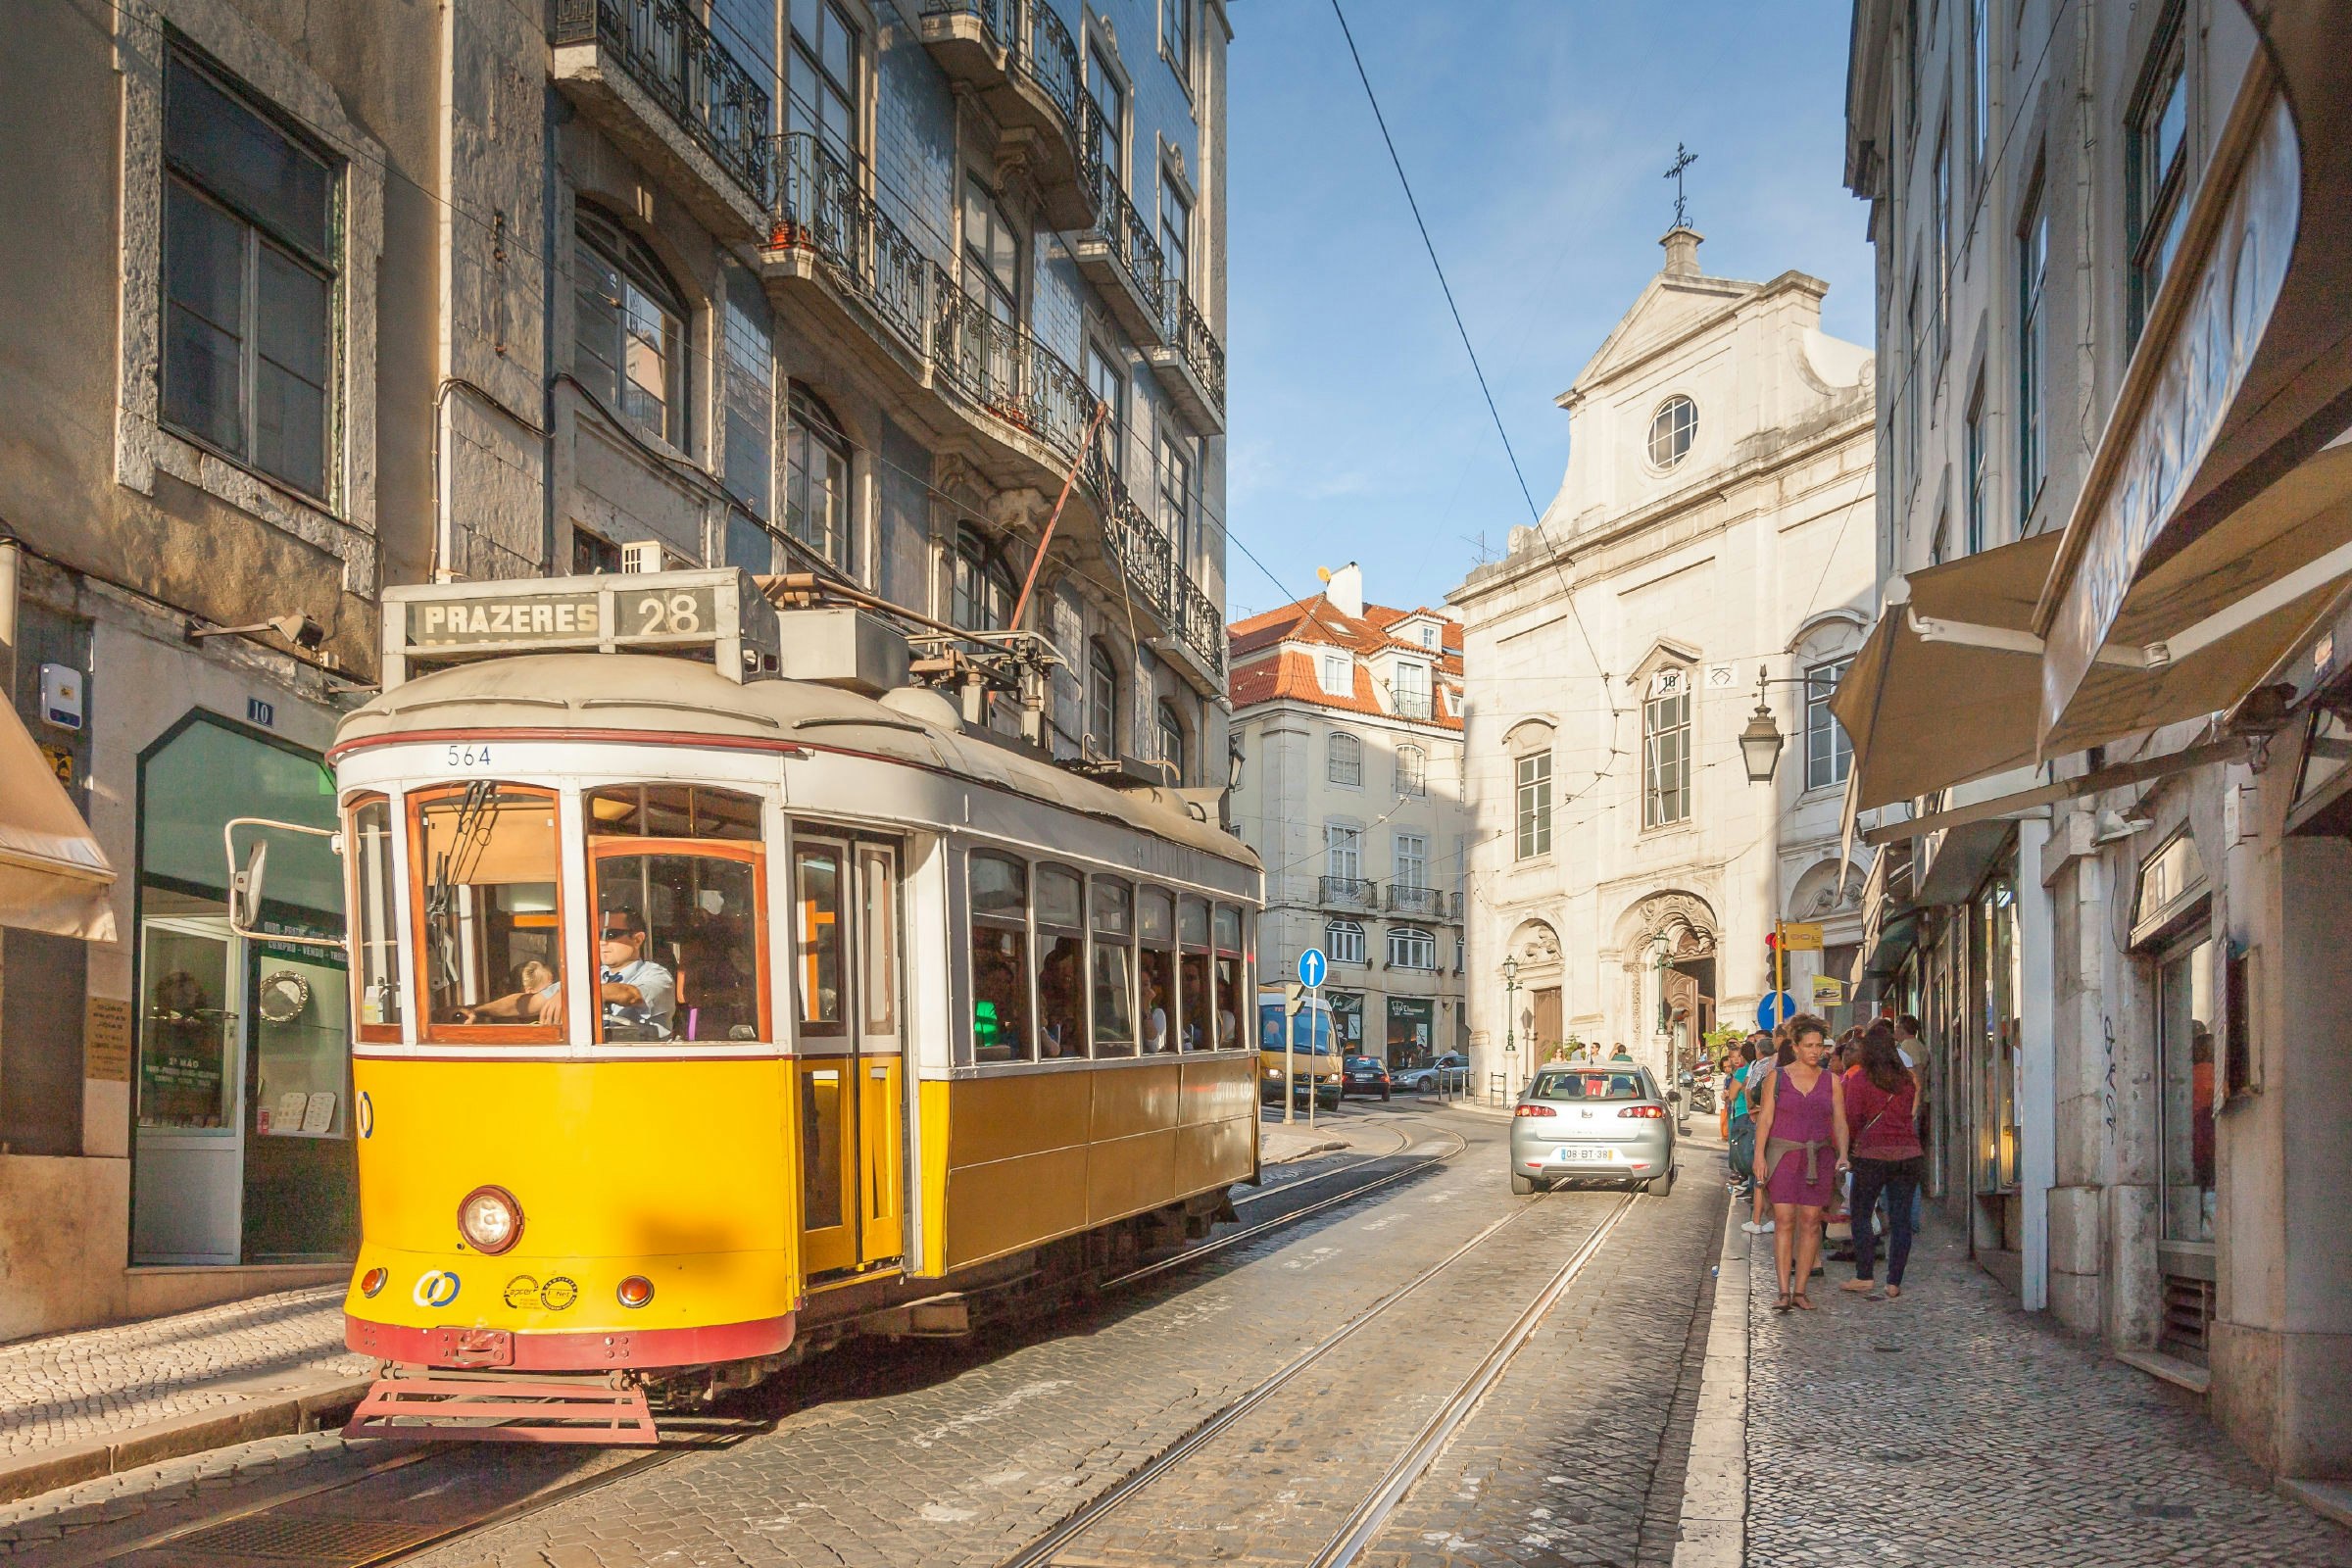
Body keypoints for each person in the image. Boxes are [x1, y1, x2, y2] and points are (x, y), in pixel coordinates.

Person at [1751, 1013, 1849, 1311]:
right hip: (1782, 1157)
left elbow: (1840, 1122)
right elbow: (1765, 1119)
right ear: (1795, 1046)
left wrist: (1843, 1154)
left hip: (1819, 1157)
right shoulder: (1776, 1077)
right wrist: (1758, 1157)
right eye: (1809, 1045)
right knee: (1784, 1221)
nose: (1815, 1051)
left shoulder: (1832, 1081)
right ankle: (1783, 1291)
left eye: (1819, 1046)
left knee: (1810, 1223)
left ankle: (1801, 1291)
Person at [1841, 1021, 1925, 1298]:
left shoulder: (1860, 1080)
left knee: (1862, 1214)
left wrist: (1850, 1147)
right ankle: (1894, 1282)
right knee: (1901, 1220)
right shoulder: (1906, 1081)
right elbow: (1909, 1115)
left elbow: (1852, 1118)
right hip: (1908, 1154)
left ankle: (1865, 1275)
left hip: (1871, 1155)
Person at [590, 906, 676, 1040]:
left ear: (637, 940)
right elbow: (547, 997)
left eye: (611, 935)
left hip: (643, 1057)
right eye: (596, 934)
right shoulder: (590, 975)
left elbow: (631, 995)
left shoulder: (657, 975)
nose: (601, 942)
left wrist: (574, 994)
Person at [454, 958, 562, 1025]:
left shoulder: (564, 992)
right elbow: (524, 1004)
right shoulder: (560, 992)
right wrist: (473, 1011)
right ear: (529, 991)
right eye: (548, 988)